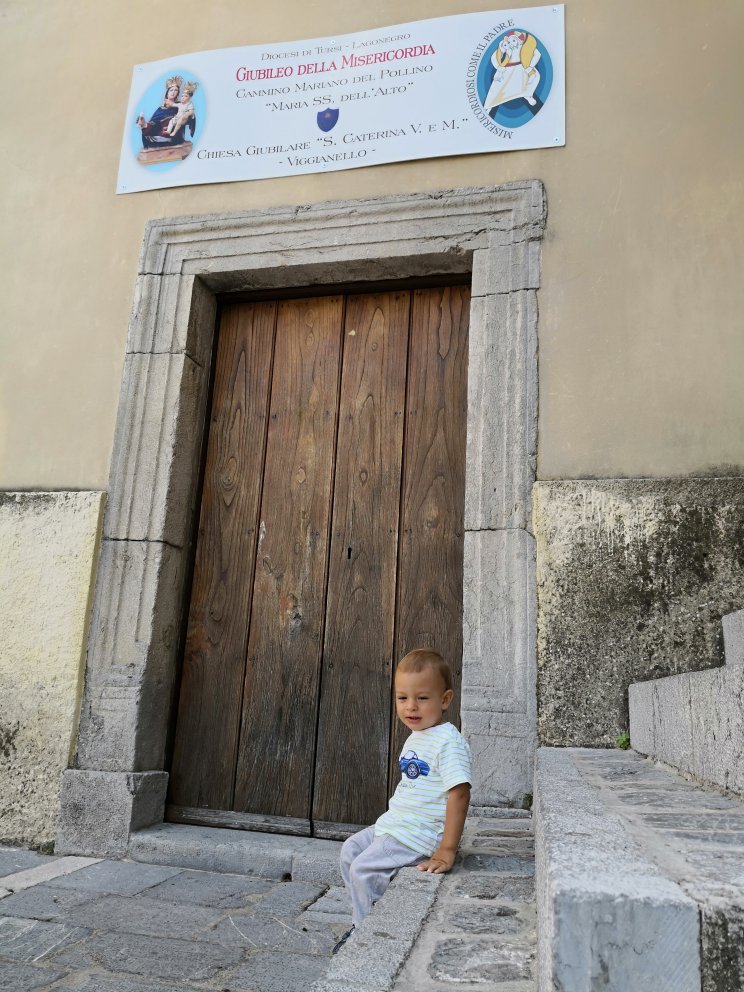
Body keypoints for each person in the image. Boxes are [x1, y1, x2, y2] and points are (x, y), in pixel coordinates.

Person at [337, 648, 471, 948]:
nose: (411, 706)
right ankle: (366, 917)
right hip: (395, 826)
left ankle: (366, 940)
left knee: (363, 869)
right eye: (402, 698)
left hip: (417, 834)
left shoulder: (448, 742)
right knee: (349, 851)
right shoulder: (418, 735)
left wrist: (446, 850)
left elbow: (460, 794)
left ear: (445, 700)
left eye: (422, 698)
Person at [135, 76, 190, 148]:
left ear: (178, 93)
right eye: (171, 90)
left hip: (173, 136)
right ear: (167, 93)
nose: (173, 92)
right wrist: (146, 125)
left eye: (176, 90)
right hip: (158, 134)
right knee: (147, 132)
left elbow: (187, 117)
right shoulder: (160, 109)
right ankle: (144, 125)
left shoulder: (180, 106)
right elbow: (154, 122)